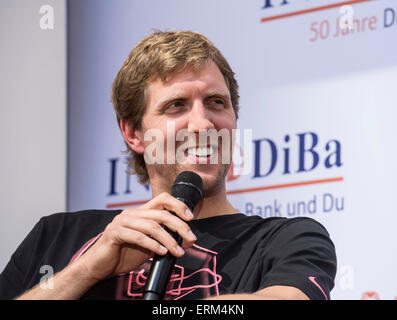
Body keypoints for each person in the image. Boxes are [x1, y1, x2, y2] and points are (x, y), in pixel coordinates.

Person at [0, 31, 336, 300]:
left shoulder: (287, 238)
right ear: (133, 133)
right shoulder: (57, 235)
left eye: (216, 103)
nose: (203, 124)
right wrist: (87, 269)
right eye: (176, 106)